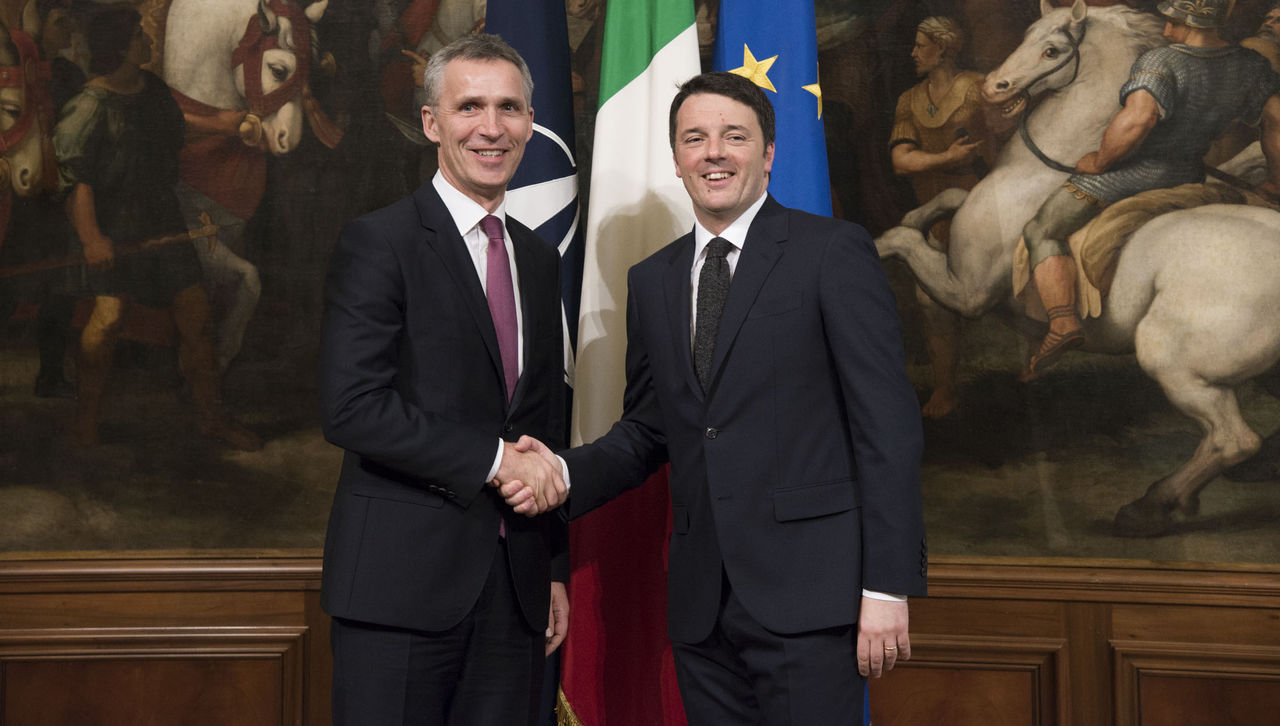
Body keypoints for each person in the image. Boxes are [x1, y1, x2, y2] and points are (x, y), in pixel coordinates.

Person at [508, 71, 927, 723]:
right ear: (676, 158)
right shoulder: (653, 280)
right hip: (703, 611)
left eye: (735, 136)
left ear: (768, 153)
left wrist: (887, 585)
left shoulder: (832, 253)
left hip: (815, 602)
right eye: (695, 138)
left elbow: (888, 430)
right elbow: (649, 431)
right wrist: (560, 471)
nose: (714, 152)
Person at [317, 34, 569, 726]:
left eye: (510, 108)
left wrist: (551, 568)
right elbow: (351, 407)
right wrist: (491, 461)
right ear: (432, 123)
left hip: (514, 595)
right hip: (398, 591)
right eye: (471, 108)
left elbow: (540, 425)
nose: (492, 128)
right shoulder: (380, 243)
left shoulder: (541, 261)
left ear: (529, 123)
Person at [1022, 0, 1280, 377]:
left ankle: (1061, 322)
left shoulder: (1162, 61)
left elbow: (1137, 121)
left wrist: (1099, 161)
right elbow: (1275, 120)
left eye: (1172, 19)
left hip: (1131, 175)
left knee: (1041, 228)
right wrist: (1276, 179)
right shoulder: (1251, 66)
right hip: (1189, 175)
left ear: (1189, 18)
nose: (1166, 26)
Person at [54, 5, 258, 450]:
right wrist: (91, 239)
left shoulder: (151, 91)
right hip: (112, 225)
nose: (148, 41)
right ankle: (86, 420)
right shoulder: (87, 107)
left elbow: (174, 128)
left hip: (161, 217)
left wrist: (222, 126)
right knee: (108, 319)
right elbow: (77, 184)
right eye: (139, 37)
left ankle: (211, 416)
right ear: (120, 46)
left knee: (196, 318)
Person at [889, 15, 1000, 418]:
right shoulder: (909, 99)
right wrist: (946, 158)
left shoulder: (976, 88)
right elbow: (901, 161)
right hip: (934, 217)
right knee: (930, 301)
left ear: (945, 48)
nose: (913, 53)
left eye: (921, 45)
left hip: (983, 212)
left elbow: (998, 140)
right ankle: (945, 390)